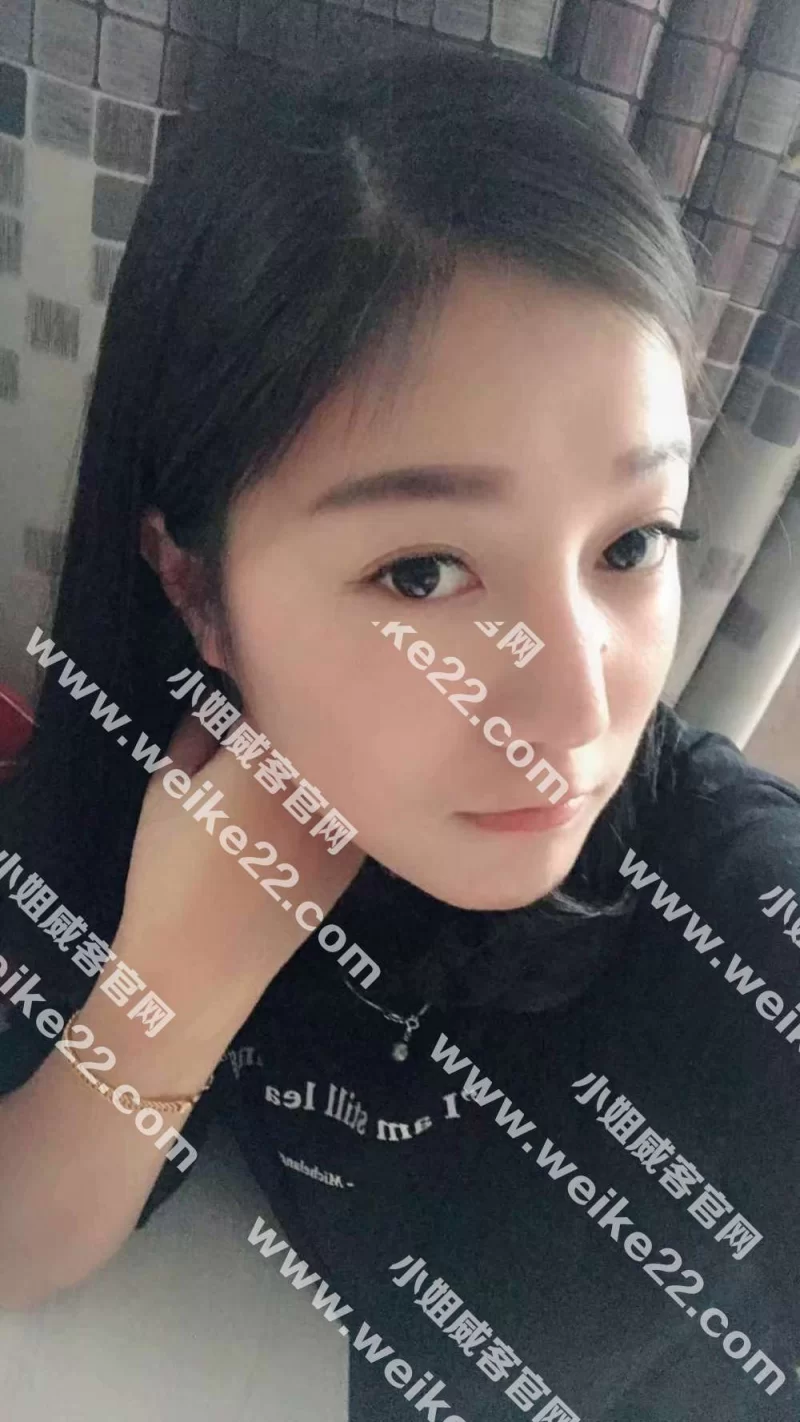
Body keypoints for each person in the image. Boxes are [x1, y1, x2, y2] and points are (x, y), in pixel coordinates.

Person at [0, 41, 797, 1422]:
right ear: (194, 586)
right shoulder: (178, 800)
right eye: (424, 573)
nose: (579, 705)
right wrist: (168, 992)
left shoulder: (739, 927)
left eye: (632, 543)